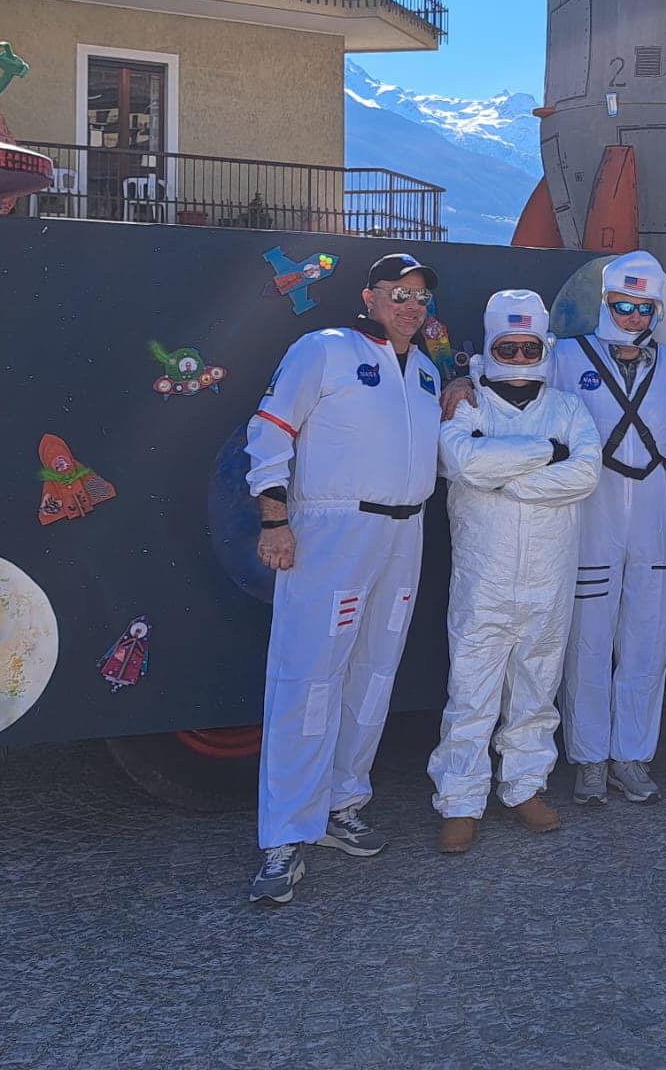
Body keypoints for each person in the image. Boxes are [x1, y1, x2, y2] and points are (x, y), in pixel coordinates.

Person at [243, 253, 446, 905]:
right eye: (398, 294)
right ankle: (285, 834)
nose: (410, 306)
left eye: (420, 297)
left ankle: (342, 803)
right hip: (333, 528)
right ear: (369, 296)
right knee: (309, 676)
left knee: (374, 672)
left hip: (404, 532)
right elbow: (270, 429)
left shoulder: (427, 372)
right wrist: (275, 519)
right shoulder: (324, 349)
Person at [428, 290, 602, 853]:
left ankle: (525, 785)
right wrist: (546, 451)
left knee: (537, 685)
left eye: (531, 348)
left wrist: (504, 479)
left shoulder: (569, 407)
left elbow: (585, 474)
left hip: (549, 575)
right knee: (470, 689)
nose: (521, 357)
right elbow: (462, 460)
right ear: (492, 347)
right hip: (484, 575)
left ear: (544, 347)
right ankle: (460, 800)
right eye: (509, 348)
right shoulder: (468, 404)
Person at [549, 251, 666, 807]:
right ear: (606, 303)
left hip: (653, 518)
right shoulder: (566, 357)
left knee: (648, 639)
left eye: (645, 308)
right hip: (590, 514)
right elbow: (513, 385)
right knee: (588, 642)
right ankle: (589, 759)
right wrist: (464, 384)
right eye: (624, 306)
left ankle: (632, 756)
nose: (634, 317)